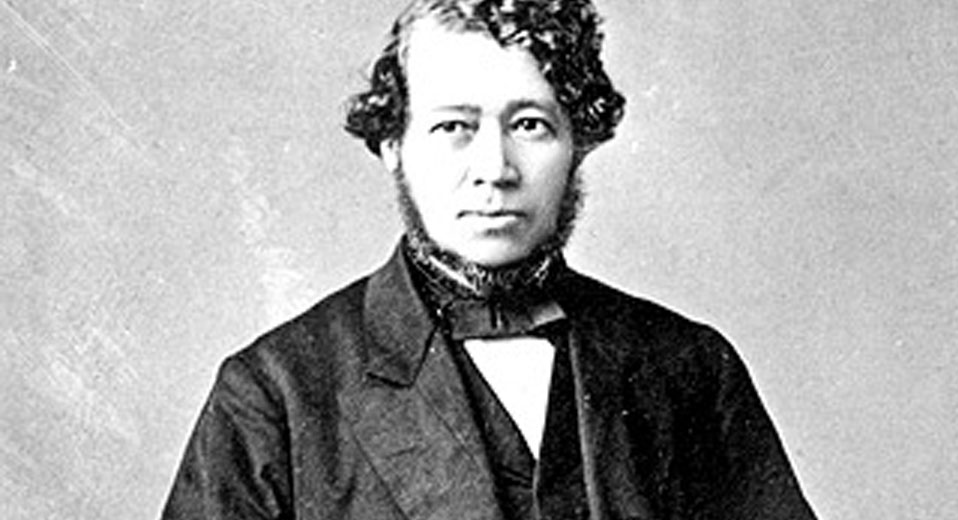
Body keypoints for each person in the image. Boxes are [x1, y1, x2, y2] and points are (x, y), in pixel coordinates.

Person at [162, 1, 816, 518]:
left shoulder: (690, 369)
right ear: (393, 143)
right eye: (454, 127)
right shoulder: (275, 394)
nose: (494, 170)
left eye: (530, 124)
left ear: (578, 142)